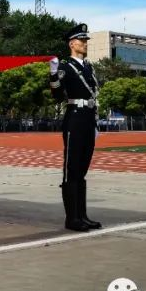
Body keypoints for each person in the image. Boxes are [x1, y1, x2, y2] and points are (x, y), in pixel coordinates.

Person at [48, 23, 101, 232]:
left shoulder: (88, 67)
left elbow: (93, 95)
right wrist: (53, 74)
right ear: (72, 43)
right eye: (82, 40)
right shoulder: (65, 67)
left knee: (82, 169)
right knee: (72, 169)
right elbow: (57, 95)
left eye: (86, 40)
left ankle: (82, 215)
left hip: (88, 119)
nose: (85, 43)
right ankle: (72, 218)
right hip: (75, 118)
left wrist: (95, 122)